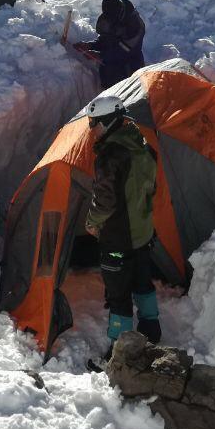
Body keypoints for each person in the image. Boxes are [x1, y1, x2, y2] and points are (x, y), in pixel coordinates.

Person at [83, 95, 160, 357]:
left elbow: (105, 200)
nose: (92, 129)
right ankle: (152, 330)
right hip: (143, 232)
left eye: (94, 123)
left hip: (118, 237)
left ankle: (119, 353)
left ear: (107, 121)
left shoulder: (109, 155)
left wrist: (92, 223)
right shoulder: (143, 146)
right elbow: (151, 188)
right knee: (142, 282)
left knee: (118, 294)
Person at [80, 0, 145, 89]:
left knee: (126, 82)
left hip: (131, 62)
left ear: (119, 11)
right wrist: (90, 45)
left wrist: (99, 55)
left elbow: (125, 50)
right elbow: (106, 39)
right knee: (107, 69)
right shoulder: (111, 15)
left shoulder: (135, 25)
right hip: (113, 57)